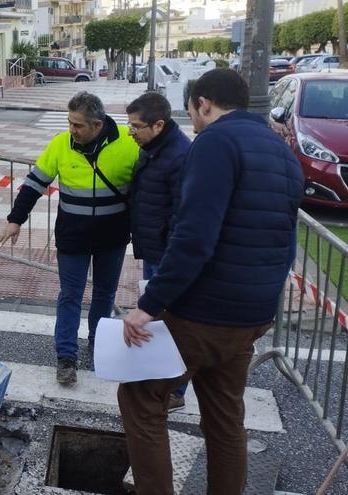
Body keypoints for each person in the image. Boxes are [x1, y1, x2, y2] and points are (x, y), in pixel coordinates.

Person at [119, 69, 303, 494]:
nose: (193, 122)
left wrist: (149, 305)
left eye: (192, 112)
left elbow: (195, 237)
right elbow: (285, 241)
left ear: (203, 102)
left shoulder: (215, 142)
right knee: (224, 417)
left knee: (142, 399)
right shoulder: (281, 151)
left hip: (205, 311)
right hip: (253, 312)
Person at [0, 91, 139, 385]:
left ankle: (98, 342)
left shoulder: (128, 143)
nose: (71, 130)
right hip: (72, 237)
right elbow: (34, 183)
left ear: (97, 125)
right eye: (69, 122)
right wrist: (15, 219)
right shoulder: (61, 145)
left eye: (77, 125)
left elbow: (150, 185)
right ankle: (66, 358)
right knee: (70, 296)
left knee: (104, 294)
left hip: (112, 238)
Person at [125, 92, 192, 412]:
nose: (131, 132)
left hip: (167, 254)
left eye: (136, 127)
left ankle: (175, 389)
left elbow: (183, 214)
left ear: (159, 125)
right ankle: (158, 377)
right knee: (157, 319)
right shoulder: (152, 148)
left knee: (171, 322)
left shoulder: (178, 156)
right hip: (154, 248)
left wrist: (167, 249)